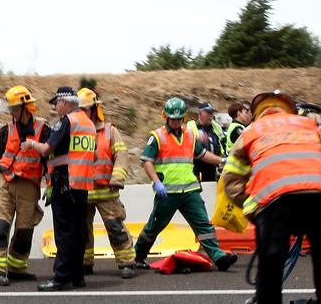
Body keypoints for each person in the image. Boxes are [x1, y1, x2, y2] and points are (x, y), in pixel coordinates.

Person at [222, 90, 321, 304]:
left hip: (275, 201)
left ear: (258, 113)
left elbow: (231, 179)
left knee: (271, 264)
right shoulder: (307, 125)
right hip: (318, 196)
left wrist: (253, 209)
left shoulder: (252, 131)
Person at [135, 97, 238, 271]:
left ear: (183, 118)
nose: (175, 122)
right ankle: (138, 256)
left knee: (203, 224)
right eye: (172, 118)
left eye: (179, 118)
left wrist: (222, 160)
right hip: (167, 192)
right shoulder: (157, 136)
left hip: (190, 190)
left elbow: (202, 154)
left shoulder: (189, 135)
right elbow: (146, 161)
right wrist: (156, 182)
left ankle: (219, 257)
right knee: (154, 226)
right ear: (165, 116)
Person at [22, 86, 96, 291]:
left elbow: (46, 149)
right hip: (82, 185)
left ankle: (61, 277)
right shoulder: (88, 124)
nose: (55, 107)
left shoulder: (67, 122)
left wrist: (31, 144)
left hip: (64, 182)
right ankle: (77, 275)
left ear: (65, 102)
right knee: (79, 231)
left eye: (56, 103)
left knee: (64, 232)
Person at [0, 85, 51, 286]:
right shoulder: (6, 130)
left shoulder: (43, 130)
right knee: (1, 225)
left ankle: (16, 268)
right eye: (10, 109)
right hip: (5, 183)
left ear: (25, 107)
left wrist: (50, 183)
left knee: (25, 231)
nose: (11, 112)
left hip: (28, 187)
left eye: (14, 108)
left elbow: (49, 159)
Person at [76, 88, 136, 279]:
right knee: (82, 229)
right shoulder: (74, 131)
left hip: (106, 190)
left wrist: (117, 178)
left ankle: (126, 262)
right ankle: (85, 263)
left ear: (95, 109)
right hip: (83, 190)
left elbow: (121, 155)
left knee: (115, 227)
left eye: (86, 109)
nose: (83, 114)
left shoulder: (110, 131)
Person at [187, 102, 225, 181]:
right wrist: (198, 139)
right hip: (197, 165)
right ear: (200, 114)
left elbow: (222, 143)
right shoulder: (191, 125)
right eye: (208, 113)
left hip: (214, 165)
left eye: (212, 113)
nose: (211, 115)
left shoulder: (216, 127)